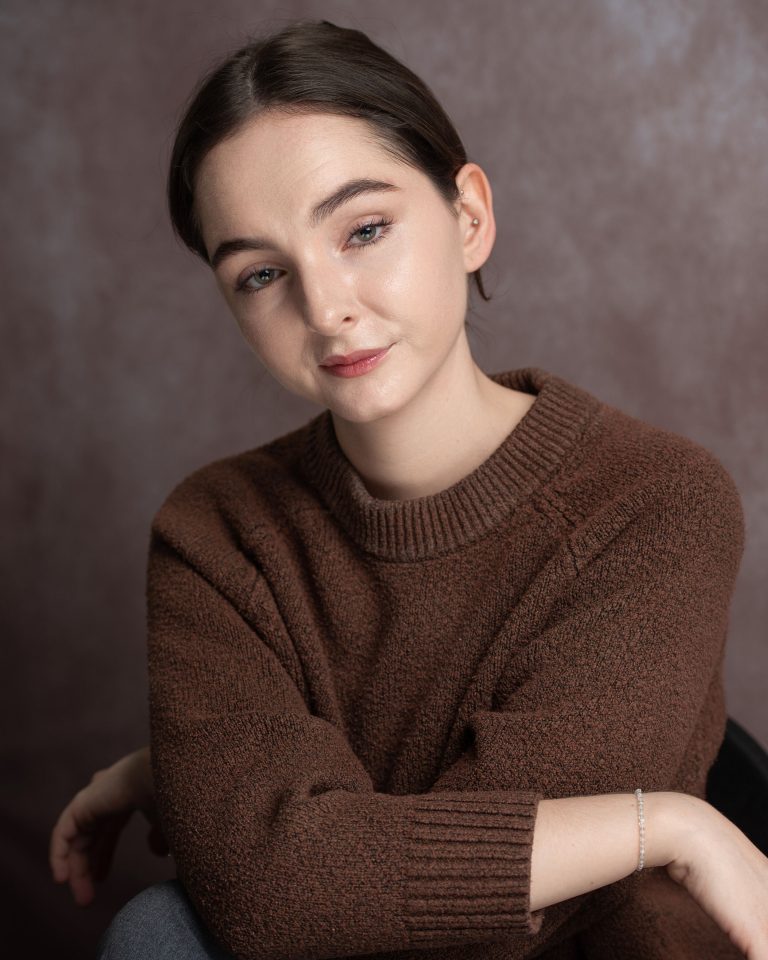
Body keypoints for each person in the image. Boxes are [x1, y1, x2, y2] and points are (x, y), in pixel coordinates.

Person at [49, 17, 768, 960]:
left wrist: (249, 812)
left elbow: (486, 921)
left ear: (469, 217)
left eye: (365, 229)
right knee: (159, 932)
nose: (327, 306)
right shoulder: (213, 532)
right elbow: (271, 895)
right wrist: (661, 824)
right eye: (262, 274)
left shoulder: (655, 500)